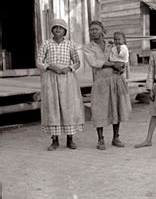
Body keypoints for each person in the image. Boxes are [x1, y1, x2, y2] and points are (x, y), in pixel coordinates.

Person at [36, 19, 85, 151]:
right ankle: (54, 140)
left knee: (68, 107)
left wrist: (68, 68)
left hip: (67, 79)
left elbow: (77, 62)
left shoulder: (70, 44)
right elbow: (39, 61)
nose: (58, 30)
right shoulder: (46, 44)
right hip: (51, 78)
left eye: (61, 28)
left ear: (65, 31)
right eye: (55, 27)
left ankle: (70, 139)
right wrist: (50, 66)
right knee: (53, 107)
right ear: (52, 30)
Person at [84, 20, 132, 150]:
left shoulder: (112, 45)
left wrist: (122, 67)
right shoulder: (88, 47)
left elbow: (121, 58)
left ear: (102, 30)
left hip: (115, 78)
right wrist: (112, 64)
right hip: (100, 81)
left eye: (96, 29)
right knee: (99, 109)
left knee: (116, 107)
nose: (93, 32)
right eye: (91, 30)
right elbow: (94, 62)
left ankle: (116, 137)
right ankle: (100, 139)